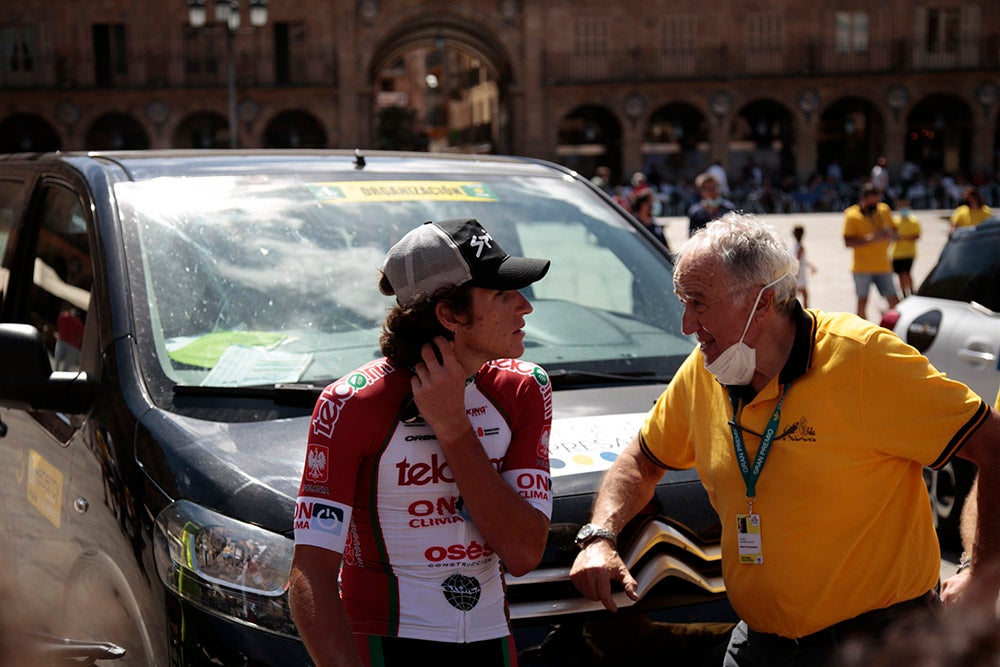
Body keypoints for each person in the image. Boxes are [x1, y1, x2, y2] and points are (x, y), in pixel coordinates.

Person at [568, 212, 1000, 667]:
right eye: (682, 302)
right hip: (762, 644)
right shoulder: (706, 369)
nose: (686, 324)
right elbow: (642, 457)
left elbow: (993, 446)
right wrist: (601, 535)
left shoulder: (862, 358)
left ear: (764, 300)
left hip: (880, 644)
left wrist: (981, 573)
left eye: (698, 302)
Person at [288, 218, 554, 666]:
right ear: (449, 314)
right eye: (502, 293)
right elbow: (309, 575)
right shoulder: (351, 403)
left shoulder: (525, 388)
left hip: (491, 637)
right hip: (384, 643)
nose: (524, 306)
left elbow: (524, 552)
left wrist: (453, 428)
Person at [842, 182, 900, 320]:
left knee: (894, 300)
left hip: (883, 265)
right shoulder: (851, 215)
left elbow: (896, 231)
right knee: (862, 302)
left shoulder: (884, 210)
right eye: (873, 201)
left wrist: (890, 234)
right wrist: (871, 239)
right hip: (862, 267)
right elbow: (848, 242)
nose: (877, 204)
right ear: (864, 198)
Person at [687, 172, 736, 237]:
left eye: (715, 188)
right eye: (709, 189)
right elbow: (692, 236)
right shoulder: (695, 212)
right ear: (702, 192)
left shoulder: (729, 208)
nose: (713, 192)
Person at [890, 198, 921, 297]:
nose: (904, 209)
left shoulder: (914, 221)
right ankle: (904, 294)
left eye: (905, 206)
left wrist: (902, 237)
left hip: (909, 253)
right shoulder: (894, 221)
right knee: (900, 275)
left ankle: (912, 291)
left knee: (906, 273)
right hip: (897, 253)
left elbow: (916, 236)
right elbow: (891, 235)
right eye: (901, 206)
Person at [791, 225, 816, 307]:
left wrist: (811, 266)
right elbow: (799, 261)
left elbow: (802, 260)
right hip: (799, 273)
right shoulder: (800, 247)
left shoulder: (795, 246)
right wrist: (796, 275)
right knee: (804, 295)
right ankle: (806, 311)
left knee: (801, 294)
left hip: (798, 273)